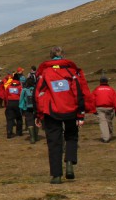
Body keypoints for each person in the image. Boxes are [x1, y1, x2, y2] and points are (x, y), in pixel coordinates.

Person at [35, 46, 94, 184]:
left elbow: (38, 94)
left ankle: (56, 175)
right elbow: (79, 93)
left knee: (54, 142)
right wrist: (81, 114)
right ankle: (69, 162)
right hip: (71, 110)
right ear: (64, 56)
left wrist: (38, 114)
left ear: (51, 56)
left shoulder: (45, 73)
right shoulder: (72, 71)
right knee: (71, 137)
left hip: (51, 112)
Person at [93, 76, 116, 143]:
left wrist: (93, 109)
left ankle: (107, 136)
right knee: (108, 121)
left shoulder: (96, 89)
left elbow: (92, 99)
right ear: (107, 81)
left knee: (104, 122)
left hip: (100, 108)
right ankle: (107, 137)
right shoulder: (111, 89)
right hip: (110, 108)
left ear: (100, 82)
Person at [2, 70, 24, 138]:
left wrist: (6, 103)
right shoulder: (20, 86)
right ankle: (19, 132)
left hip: (10, 103)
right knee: (19, 118)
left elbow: (5, 95)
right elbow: (21, 95)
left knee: (10, 119)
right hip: (18, 103)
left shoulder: (9, 86)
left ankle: (9, 132)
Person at [19, 77, 38, 143]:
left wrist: (21, 108)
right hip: (36, 107)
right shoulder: (36, 89)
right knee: (36, 120)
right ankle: (36, 136)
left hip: (27, 107)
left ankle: (32, 138)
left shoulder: (24, 90)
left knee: (30, 121)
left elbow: (21, 100)